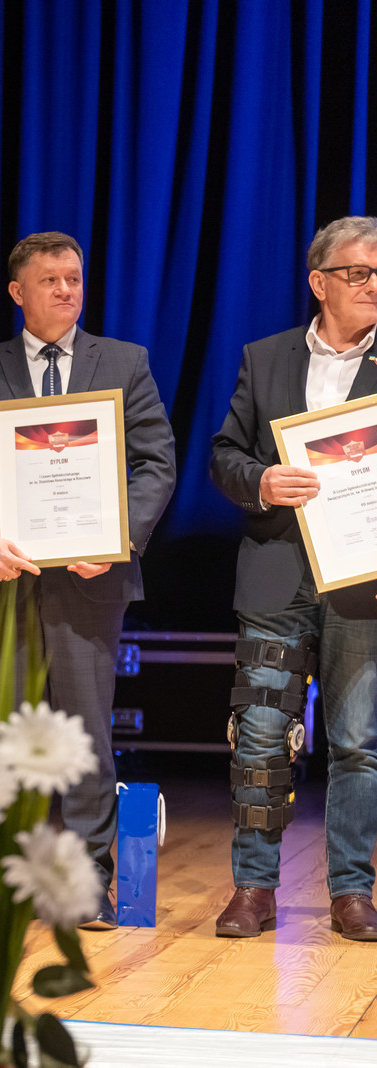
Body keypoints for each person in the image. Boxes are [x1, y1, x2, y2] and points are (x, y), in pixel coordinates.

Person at [0, 231, 176, 929]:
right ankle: (9, 880)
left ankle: (85, 881)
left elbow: (157, 463)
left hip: (92, 580)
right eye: (51, 280)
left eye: (74, 278)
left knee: (85, 734)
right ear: (18, 292)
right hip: (5, 578)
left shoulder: (124, 362)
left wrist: (120, 539)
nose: (67, 290)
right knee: (10, 734)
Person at [209, 216, 377, 940]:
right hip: (278, 571)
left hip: (363, 580)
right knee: (260, 731)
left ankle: (352, 891)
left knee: (357, 741)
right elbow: (224, 455)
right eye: (359, 272)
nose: (372, 285)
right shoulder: (266, 356)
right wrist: (261, 480)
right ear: (319, 282)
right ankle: (253, 887)